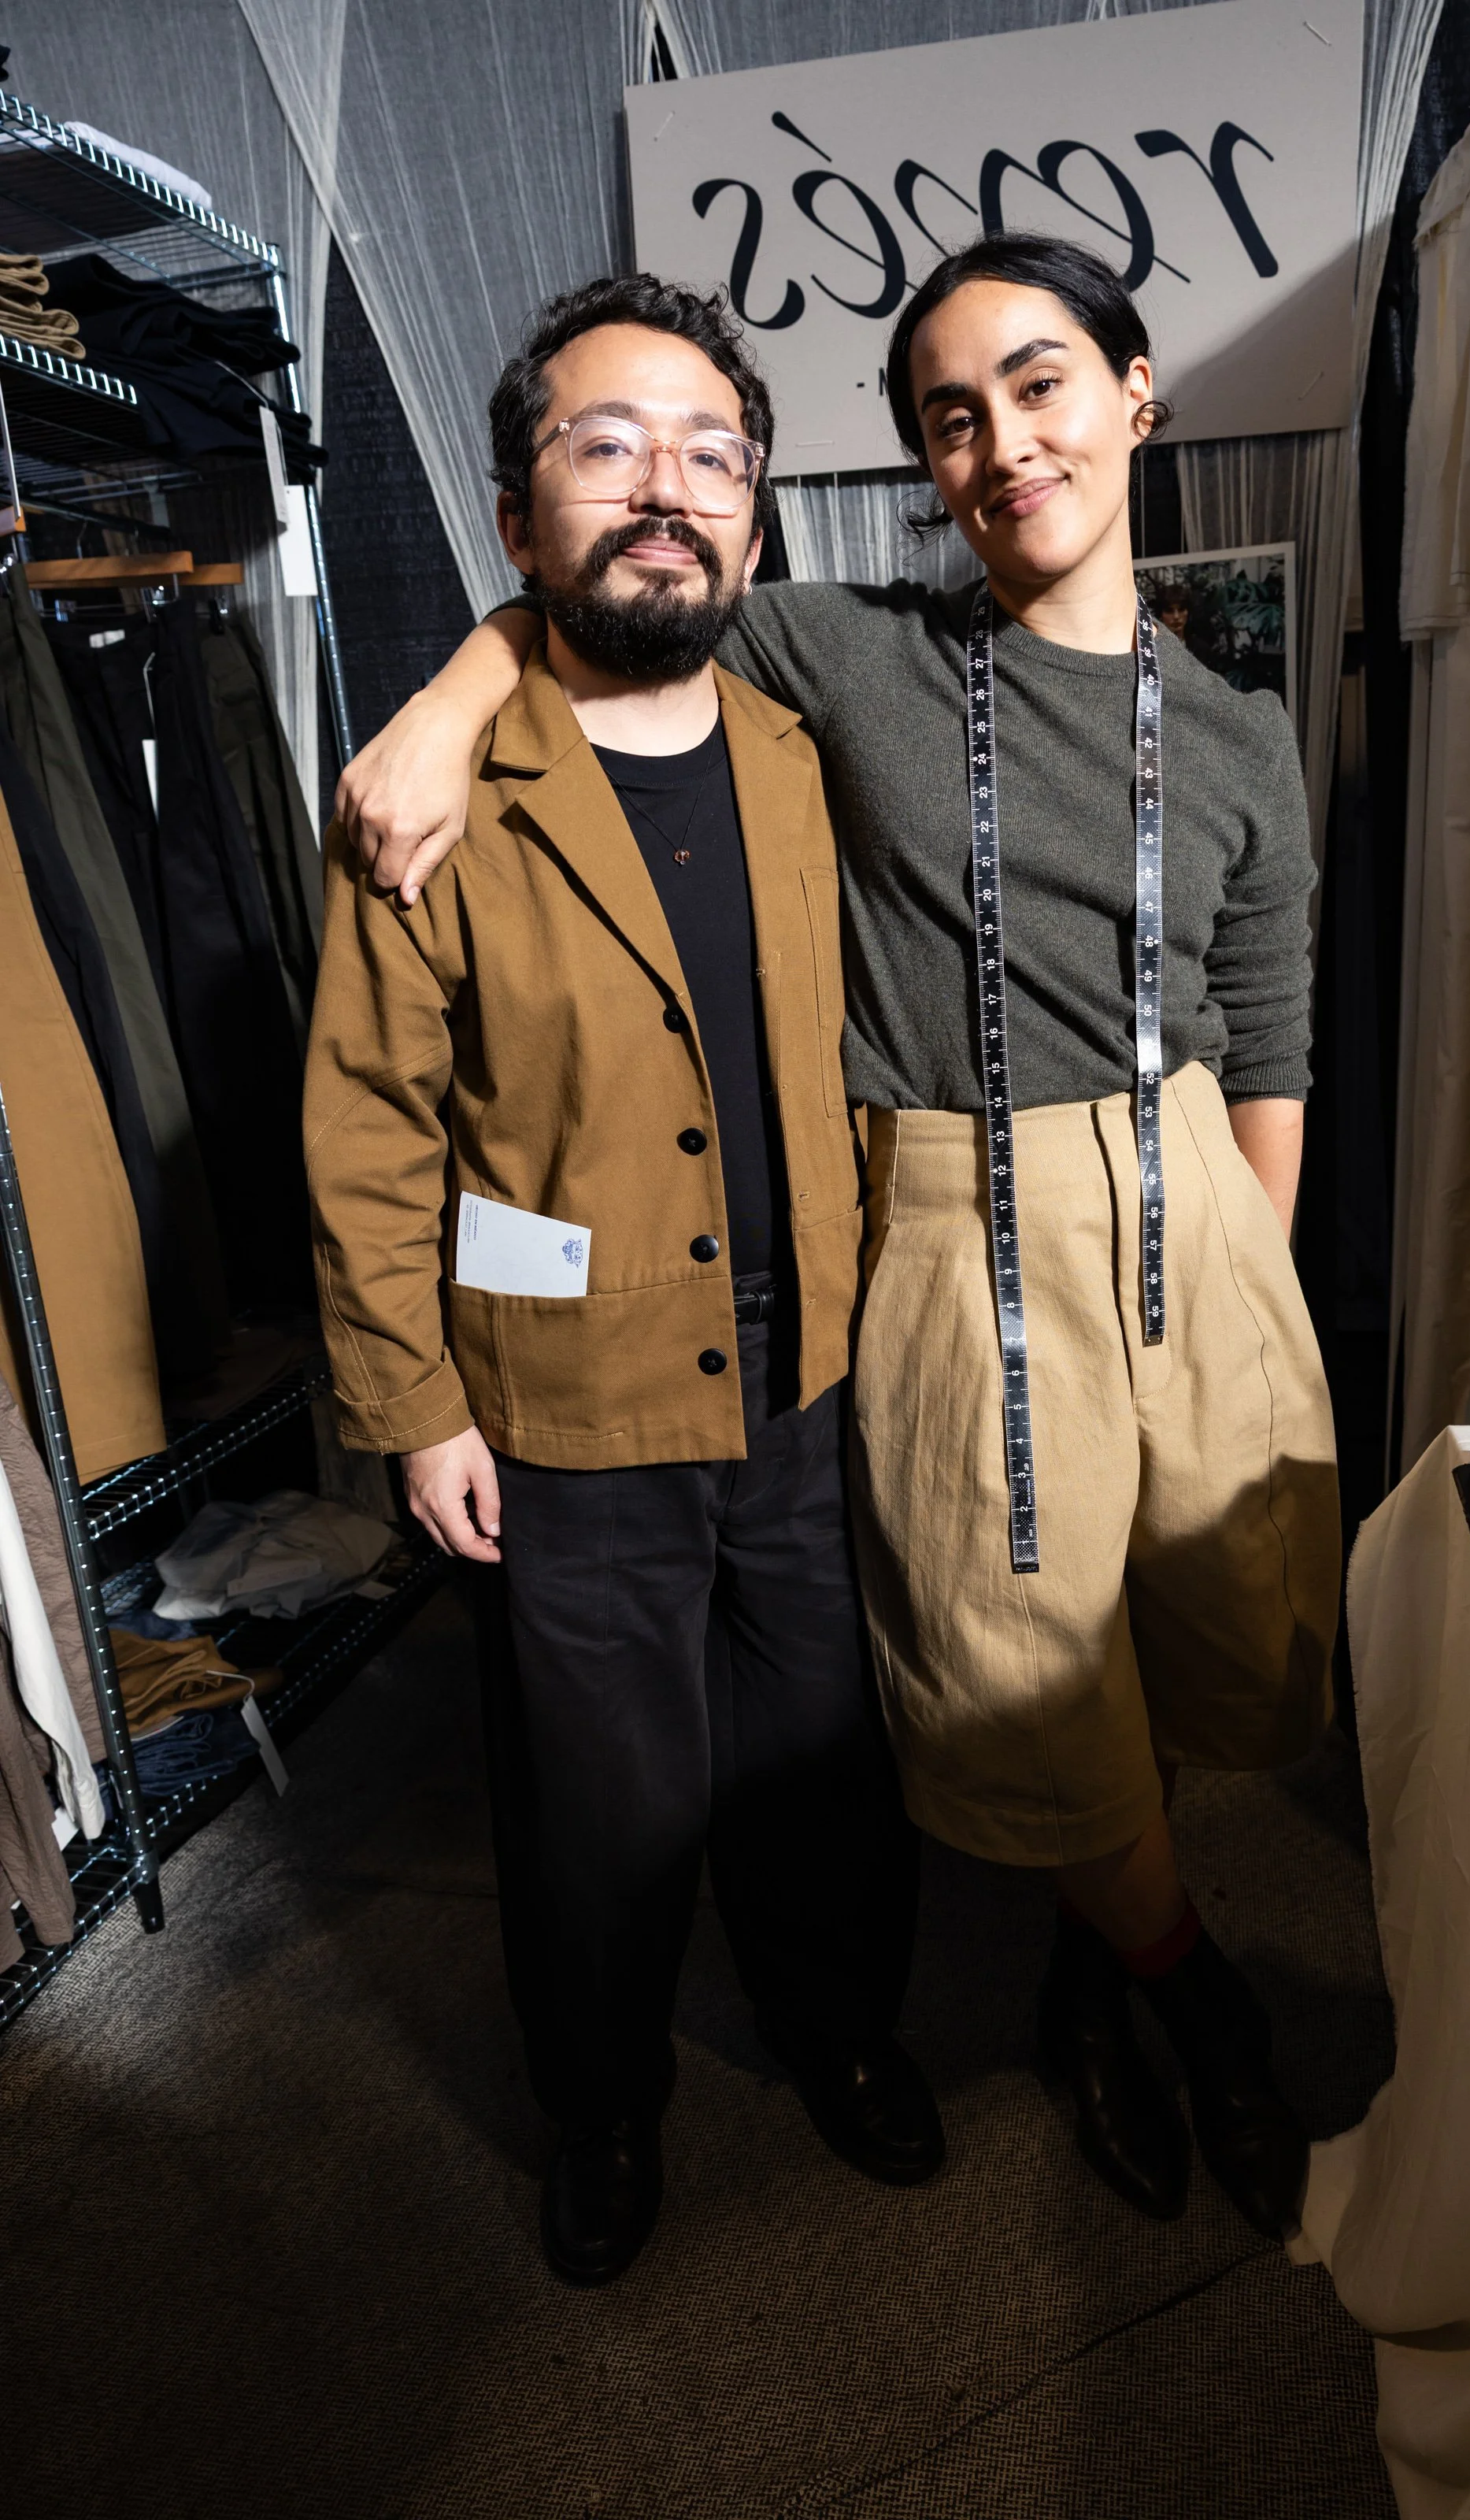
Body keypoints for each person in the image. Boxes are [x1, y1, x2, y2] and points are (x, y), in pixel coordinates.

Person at [337, 234, 1342, 2244]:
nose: (1003, 445)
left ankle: (1063, 1973)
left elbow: (1267, 1006)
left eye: (1042, 386)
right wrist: (447, 696)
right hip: (942, 1239)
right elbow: (614, 579)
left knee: (1174, 1632)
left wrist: (1248, 1275)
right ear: (915, 471)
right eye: (950, 418)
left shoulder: (1230, 726)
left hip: (1186, 1228)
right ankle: (1175, 1993)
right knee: (994, 1668)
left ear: (1138, 395)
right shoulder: (853, 660)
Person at [304, 273, 936, 2290]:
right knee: (604, 1806)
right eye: (607, 445)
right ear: (517, 516)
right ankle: (603, 2108)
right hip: (563, 1401)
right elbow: (370, 1131)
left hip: (809, 1378)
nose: (666, 489)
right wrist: (411, 1406)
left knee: (823, 1759)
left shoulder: (815, 746)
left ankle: (838, 2029)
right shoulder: (436, 801)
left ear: (755, 520)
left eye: (712, 456)